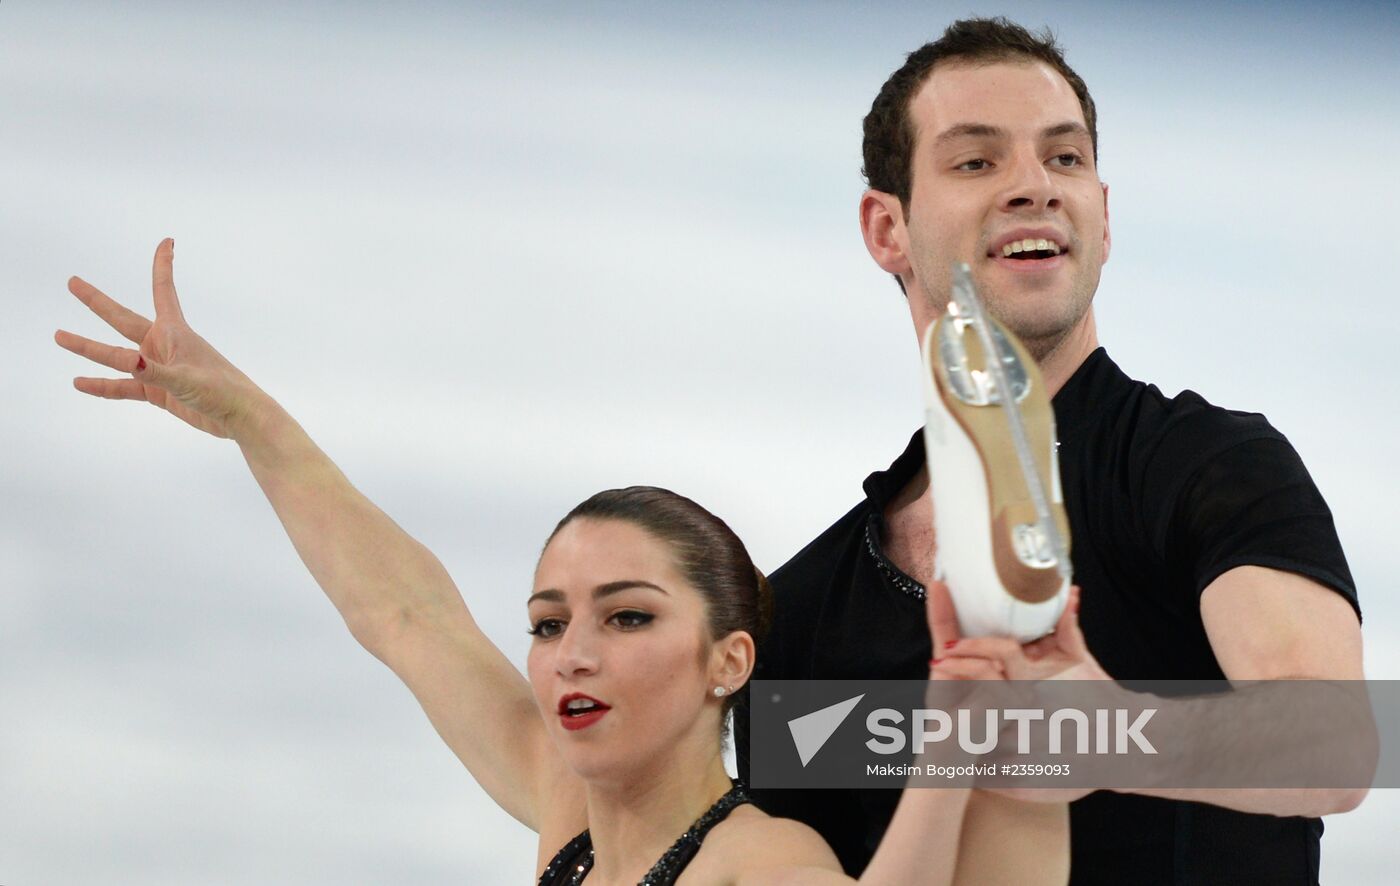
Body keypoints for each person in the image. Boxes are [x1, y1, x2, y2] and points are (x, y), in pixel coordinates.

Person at [55, 239, 1089, 884]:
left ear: (727, 661)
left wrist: (957, 728)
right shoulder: (571, 824)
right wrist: (252, 424)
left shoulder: (758, 863)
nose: (570, 654)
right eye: (548, 623)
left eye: (627, 616)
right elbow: (409, 615)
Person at [735, 16, 1366, 885]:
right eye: (976, 161)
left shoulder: (1206, 466)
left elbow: (1331, 745)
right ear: (887, 228)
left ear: (1102, 218)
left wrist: (1101, 730)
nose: (1034, 185)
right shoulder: (800, 611)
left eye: (1064, 158)